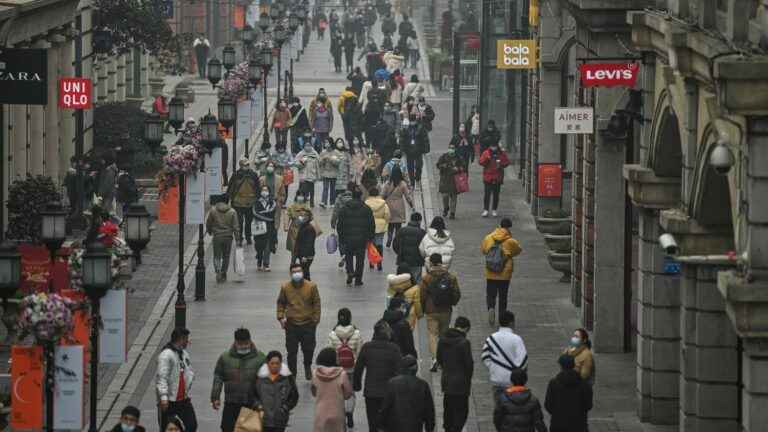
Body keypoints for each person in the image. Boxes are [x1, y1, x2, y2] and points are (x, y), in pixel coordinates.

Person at [211, 328, 267, 432]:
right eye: (240, 343)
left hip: (251, 404)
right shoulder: (225, 358)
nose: (243, 346)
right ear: (235, 342)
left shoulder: (260, 358)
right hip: (231, 402)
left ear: (250, 341)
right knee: (227, 428)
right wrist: (215, 397)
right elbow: (218, 376)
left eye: (246, 343)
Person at [353, 320, 402, 432]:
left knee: (373, 423)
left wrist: (357, 385)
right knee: (389, 423)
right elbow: (400, 370)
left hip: (371, 393)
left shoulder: (367, 347)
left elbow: (358, 368)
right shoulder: (394, 348)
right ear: (387, 333)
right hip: (389, 393)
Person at [277, 262, 321, 379]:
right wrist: (281, 317)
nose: (297, 274)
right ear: (290, 274)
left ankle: (307, 365)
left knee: (308, 349)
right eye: (294, 272)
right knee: (291, 352)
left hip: (308, 324)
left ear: (302, 273)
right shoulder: (285, 287)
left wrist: (315, 321)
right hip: (291, 325)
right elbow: (281, 302)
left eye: (299, 272)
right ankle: (292, 375)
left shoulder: (311, 287)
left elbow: (316, 303)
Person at [420, 253, 461, 371]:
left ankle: (434, 359)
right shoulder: (450, 277)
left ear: (431, 263)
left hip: (431, 311)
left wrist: (423, 309)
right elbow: (457, 293)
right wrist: (452, 303)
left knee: (433, 334)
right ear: (441, 262)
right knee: (444, 334)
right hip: (446, 310)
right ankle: (443, 359)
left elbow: (422, 295)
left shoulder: (426, 278)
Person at [480, 218, 523, 325]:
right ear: (509, 228)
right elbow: (518, 251)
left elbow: (483, 250)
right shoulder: (511, 241)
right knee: (503, 296)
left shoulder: (488, 237)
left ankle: (491, 308)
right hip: (505, 272)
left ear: (499, 225)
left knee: (490, 294)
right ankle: (502, 317)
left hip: (491, 271)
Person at [377, 355, 436, 432]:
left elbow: (386, 406)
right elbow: (429, 411)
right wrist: (430, 428)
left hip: (395, 426)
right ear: (416, 369)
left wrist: (381, 425)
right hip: (415, 426)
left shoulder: (392, 383)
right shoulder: (423, 385)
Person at [327, 308, 364, 429]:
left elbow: (329, 353)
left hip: (338, 370)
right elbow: (360, 353)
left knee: (338, 393)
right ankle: (349, 412)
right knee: (351, 393)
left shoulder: (332, 334)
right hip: (351, 369)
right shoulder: (356, 334)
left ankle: (341, 413)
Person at [436, 317, 474, 432]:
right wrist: (468, 379)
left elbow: (439, 358)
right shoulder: (464, 343)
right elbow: (469, 365)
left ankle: (448, 428)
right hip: (461, 383)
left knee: (448, 408)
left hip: (447, 380)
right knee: (462, 410)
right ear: (466, 329)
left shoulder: (442, 340)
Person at [156, 327, 197, 432]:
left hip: (183, 399)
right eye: (186, 339)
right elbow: (162, 378)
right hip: (170, 401)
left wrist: (191, 377)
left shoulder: (183, 353)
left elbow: (188, 370)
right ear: (181, 339)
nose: (188, 341)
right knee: (168, 428)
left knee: (191, 425)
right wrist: (164, 397)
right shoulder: (166, 355)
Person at [482, 311, 528, 399]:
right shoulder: (516, 339)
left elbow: (485, 357)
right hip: (513, 382)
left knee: (499, 408)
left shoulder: (491, 338)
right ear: (511, 323)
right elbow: (523, 360)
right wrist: (516, 372)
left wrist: (494, 367)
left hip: (497, 380)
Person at [337, 188, 376, 286]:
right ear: (360, 196)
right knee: (360, 259)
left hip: (348, 237)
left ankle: (350, 271)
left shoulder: (345, 208)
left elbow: (340, 224)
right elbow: (371, 224)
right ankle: (358, 279)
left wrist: (341, 237)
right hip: (361, 238)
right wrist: (370, 237)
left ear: (352, 195)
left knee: (349, 256)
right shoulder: (366, 208)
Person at [545, 355, 593, 432]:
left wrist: (558, 413)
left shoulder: (553, 383)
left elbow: (548, 405)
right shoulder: (584, 384)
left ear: (561, 366)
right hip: (579, 425)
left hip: (558, 425)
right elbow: (588, 405)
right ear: (573, 365)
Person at [254, 351, 300, 432]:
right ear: (267, 363)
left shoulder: (287, 377)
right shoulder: (259, 377)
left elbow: (294, 395)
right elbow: (252, 394)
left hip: (280, 419)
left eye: (277, 363)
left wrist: (285, 408)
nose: (275, 366)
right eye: (272, 363)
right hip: (263, 418)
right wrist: (258, 406)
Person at [311, 347, 354, 432]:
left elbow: (314, 393)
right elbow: (348, 394)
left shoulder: (315, 373)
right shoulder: (342, 374)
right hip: (337, 412)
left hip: (320, 412)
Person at [205, 194, 240, 283]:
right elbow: (236, 227)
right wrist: (238, 239)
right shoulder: (232, 211)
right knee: (226, 256)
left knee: (217, 256)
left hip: (217, 236)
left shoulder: (213, 211)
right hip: (228, 237)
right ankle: (224, 272)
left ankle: (218, 271)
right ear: (227, 201)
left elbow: (209, 222)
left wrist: (209, 231)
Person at [228, 158, 261, 245]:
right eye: (245, 165)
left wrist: (257, 199)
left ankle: (248, 237)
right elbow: (231, 187)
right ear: (241, 166)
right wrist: (230, 198)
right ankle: (240, 238)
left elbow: (257, 188)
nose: (247, 166)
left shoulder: (253, 175)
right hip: (238, 203)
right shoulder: (236, 175)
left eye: (248, 165)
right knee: (239, 222)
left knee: (249, 222)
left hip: (250, 202)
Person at [382, 165, 413, 247]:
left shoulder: (388, 183)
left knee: (390, 224)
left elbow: (383, 194)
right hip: (399, 204)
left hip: (389, 205)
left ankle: (389, 237)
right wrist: (411, 205)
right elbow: (407, 196)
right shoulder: (402, 184)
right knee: (398, 225)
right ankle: (397, 240)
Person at [479, 140, 511, 217]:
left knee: (496, 194)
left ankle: (494, 209)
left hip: (497, 176)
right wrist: (487, 159)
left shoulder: (501, 153)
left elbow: (507, 162)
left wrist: (501, 163)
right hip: (488, 176)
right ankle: (486, 209)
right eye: (492, 146)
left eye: (495, 146)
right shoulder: (486, 153)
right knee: (487, 194)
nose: (493, 148)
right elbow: (480, 162)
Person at [393, 212, 426, 283]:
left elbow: (395, 245)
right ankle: (414, 293)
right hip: (417, 261)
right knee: (416, 280)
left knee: (404, 281)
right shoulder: (422, 232)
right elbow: (424, 248)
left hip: (403, 261)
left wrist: (400, 253)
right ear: (420, 221)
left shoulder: (401, 230)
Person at [364, 187, 391, 271]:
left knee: (370, 244)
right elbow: (387, 215)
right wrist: (385, 222)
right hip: (380, 226)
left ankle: (371, 262)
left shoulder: (366, 203)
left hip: (369, 226)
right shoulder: (383, 204)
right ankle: (379, 263)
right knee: (379, 244)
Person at [252, 185, 278, 272]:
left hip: (269, 228)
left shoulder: (272, 202)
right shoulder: (256, 202)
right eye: (263, 190)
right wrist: (267, 217)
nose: (264, 191)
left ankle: (266, 264)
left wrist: (261, 214)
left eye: (266, 190)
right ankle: (259, 262)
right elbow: (255, 213)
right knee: (259, 246)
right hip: (259, 228)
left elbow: (272, 212)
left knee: (267, 246)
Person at [399, 117, 430, 187]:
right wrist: (402, 150)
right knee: (410, 168)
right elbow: (402, 140)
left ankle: (417, 178)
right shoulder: (405, 129)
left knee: (419, 166)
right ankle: (412, 183)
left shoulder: (420, 128)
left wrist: (426, 149)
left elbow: (425, 139)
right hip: (409, 151)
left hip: (418, 150)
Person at [437, 143, 462, 219]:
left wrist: (458, 169)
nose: (451, 150)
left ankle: (452, 213)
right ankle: (446, 207)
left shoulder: (458, 157)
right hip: (445, 179)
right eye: (450, 148)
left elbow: (463, 166)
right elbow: (438, 165)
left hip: (455, 180)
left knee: (454, 197)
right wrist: (443, 166)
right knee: (445, 196)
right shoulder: (443, 157)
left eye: (453, 148)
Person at [293, 211, 319, 280]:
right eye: (302, 216)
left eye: (305, 216)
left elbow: (309, 243)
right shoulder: (303, 226)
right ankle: (307, 286)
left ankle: (308, 287)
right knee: (305, 272)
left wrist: (305, 256)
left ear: (309, 218)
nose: (303, 217)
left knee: (305, 272)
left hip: (307, 255)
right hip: (303, 254)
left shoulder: (309, 228)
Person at [296, 141, 321, 207]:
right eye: (306, 145)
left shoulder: (314, 153)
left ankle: (312, 204)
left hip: (312, 175)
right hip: (303, 176)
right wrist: (302, 162)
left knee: (312, 191)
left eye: (309, 145)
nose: (308, 147)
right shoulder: (300, 154)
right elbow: (296, 164)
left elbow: (318, 163)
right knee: (303, 190)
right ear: (304, 146)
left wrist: (318, 176)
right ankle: (302, 202)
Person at [319, 139, 343, 208]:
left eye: (327, 142)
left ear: (331, 143)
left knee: (333, 188)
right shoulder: (323, 152)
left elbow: (339, 162)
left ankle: (332, 202)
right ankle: (324, 202)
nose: (326, 144)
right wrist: (323, 159)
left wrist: (331, 159)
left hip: (334, 173)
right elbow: (319, 163)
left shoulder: (336, 152)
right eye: (325, 142)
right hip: (325, 172)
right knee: (325, 188)